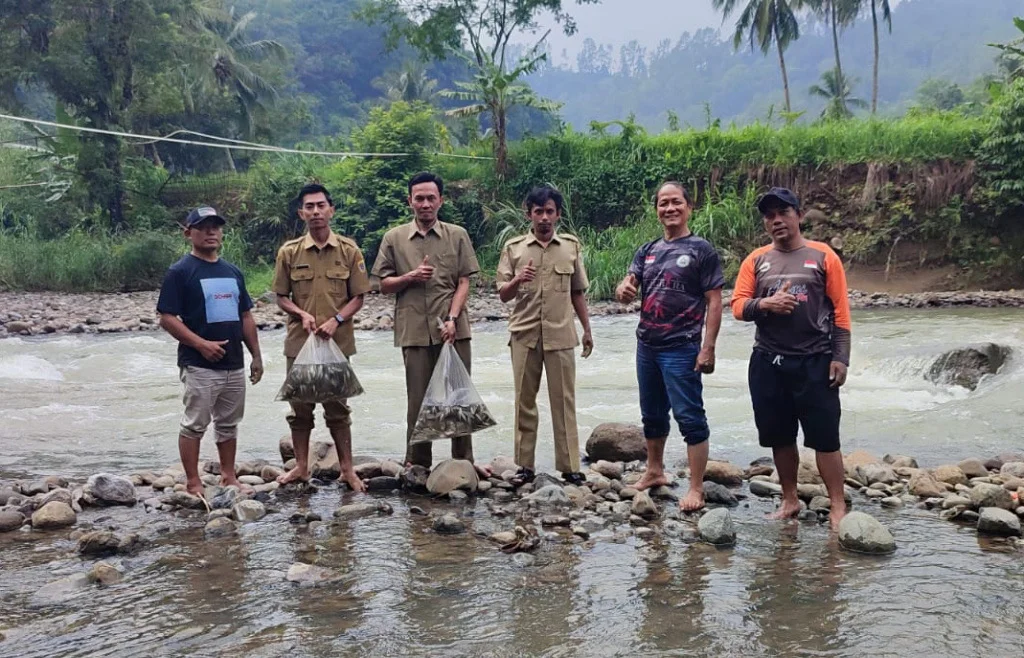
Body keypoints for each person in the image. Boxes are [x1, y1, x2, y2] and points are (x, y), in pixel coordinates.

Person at [731, 187, 851, 531]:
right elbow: (738, 306)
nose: (776, 220)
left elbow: (841, 312)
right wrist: (764, 305)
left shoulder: (823, 256)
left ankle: (838, 504)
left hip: (815, 360)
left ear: (799, 215)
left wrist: (841, 357)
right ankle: (789, 499)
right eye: (769, 215)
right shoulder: (756, 260)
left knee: (826, 437)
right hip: (768, 361)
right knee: (779, 436)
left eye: (783, 212)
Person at [615, 182, 724, 512]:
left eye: (676, 202)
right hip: (647, 344)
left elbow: (715, 302)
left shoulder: (701, 250)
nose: (669, 208)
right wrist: (623, 289)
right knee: (652, 413)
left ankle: (695, 488)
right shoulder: (647, 249)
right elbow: (628, 283)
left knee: (690, 416)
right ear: (657, 210)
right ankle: (654, 471)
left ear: (689, 207)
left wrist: (709, 347)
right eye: (663, 203)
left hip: (683, 346)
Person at [371, 172, 490, 476]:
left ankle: (464, 460)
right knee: (418, 399)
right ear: (409, 201)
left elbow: (464, 281)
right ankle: (417, 461)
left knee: (458, 395)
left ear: (441, 200)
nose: (425, 204)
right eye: (419, 198)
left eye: (431, 198)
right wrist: (410, 277)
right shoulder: (394, 238)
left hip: (453, 329)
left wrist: (452, 318)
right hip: (413, 330)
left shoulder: (457, 234)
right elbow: (382, 284)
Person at [157, 206, 263, 497]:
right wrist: (200, 345)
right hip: (199, 364)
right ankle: (193, 481)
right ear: (188, 232)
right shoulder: (180, 272)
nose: (211, 232)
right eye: (203, 227)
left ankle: (228, 476)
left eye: (215, 226)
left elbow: (246, 316)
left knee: (229, 423)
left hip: (233, 363)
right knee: (195, 424)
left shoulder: (232, 271)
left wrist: (256, 355)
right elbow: (166, 317)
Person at [272, 184, 371, 492]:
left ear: (331, 210)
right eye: (309, 207)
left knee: (338, 409)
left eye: (320, 206)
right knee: (300, 408)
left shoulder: (349, 251)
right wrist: (301, 314)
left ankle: (347, 470)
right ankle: (301, 467)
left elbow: (359, 296)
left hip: (336, 343)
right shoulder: (289, 252)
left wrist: (337, 320)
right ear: (302, 213)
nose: (315, 212)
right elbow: (280, 296)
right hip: (300, 343)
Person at [495, 185, 594, 486]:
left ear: (558, 215)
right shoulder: (514, 249)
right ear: (529, 214)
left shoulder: (570, 247)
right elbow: (502, 294)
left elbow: (578, 293)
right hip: (524, 335)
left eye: (550, 211)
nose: (544, 217)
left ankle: (570, 465)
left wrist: (587, 329)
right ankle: (524, 466)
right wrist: (517, 279)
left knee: (564, 401)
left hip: (561, 335)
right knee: (524, 401)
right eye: (538, 211)